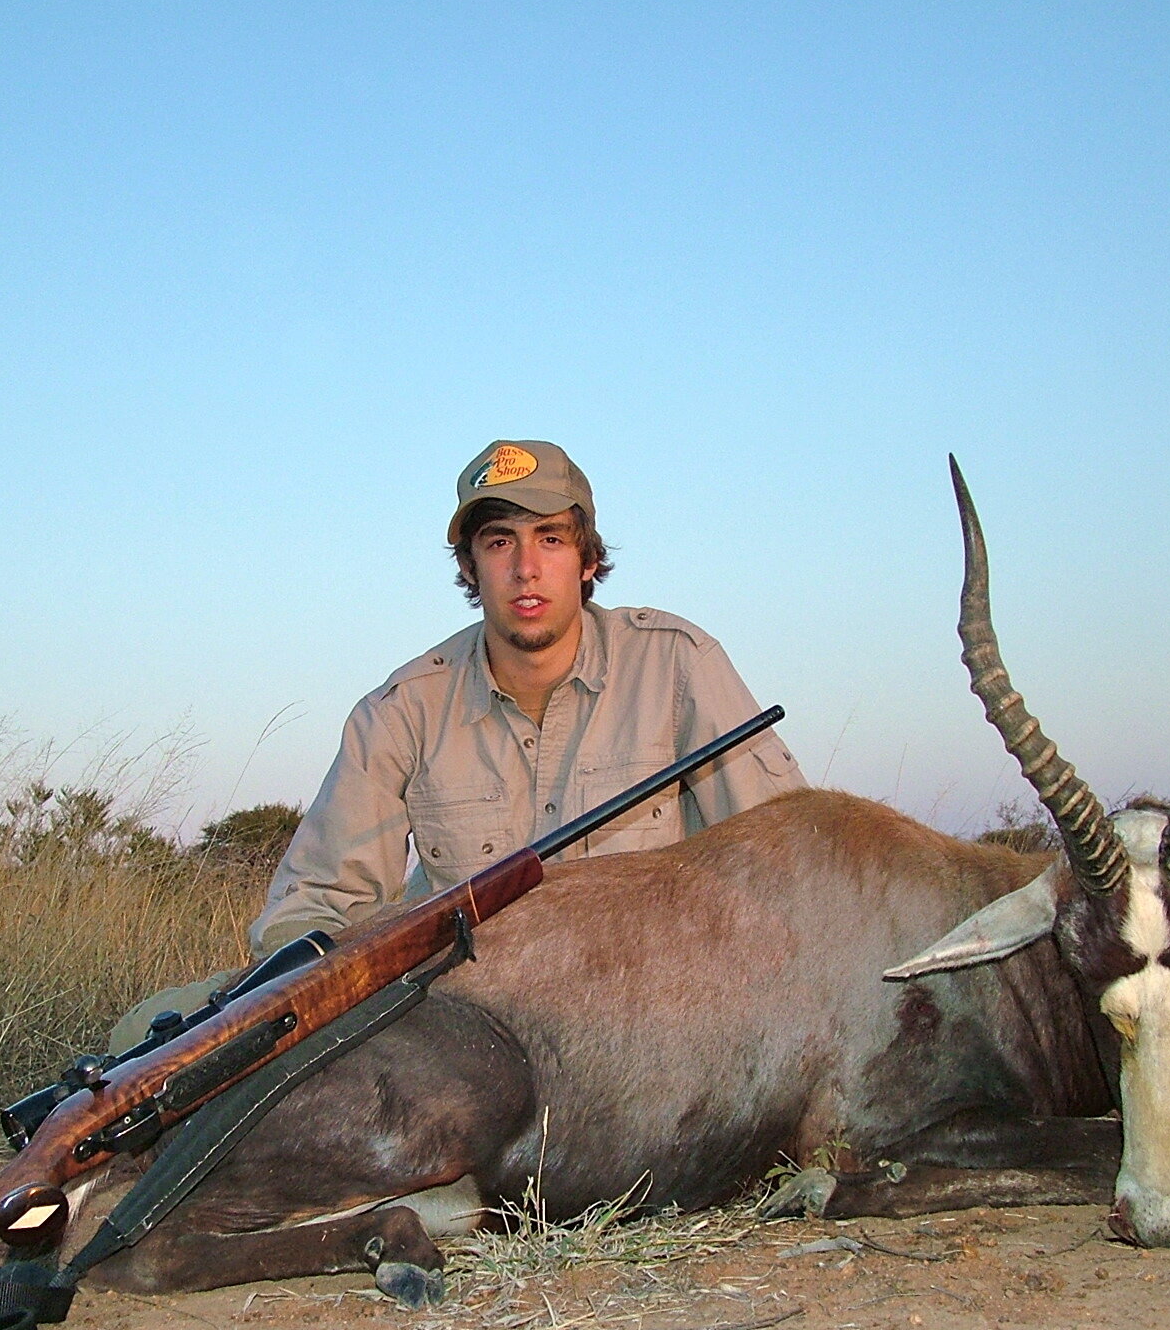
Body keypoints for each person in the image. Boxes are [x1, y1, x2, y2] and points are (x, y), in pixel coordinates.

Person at [109, 439, 804, 1050]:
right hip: (469, 1025)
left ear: (588, 559)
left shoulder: (677, 664)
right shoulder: (403, 709)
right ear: (470, 568)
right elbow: (315, 904)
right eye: (500, 542)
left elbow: (789, 863)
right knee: (151, 1031)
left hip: (649, 1014)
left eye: (551, 540)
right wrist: (311, 997)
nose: (526, 568)